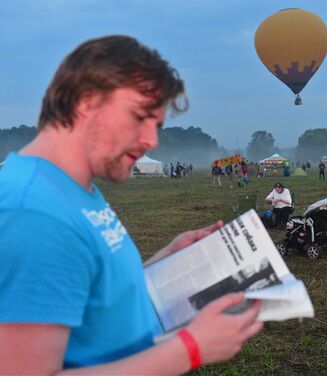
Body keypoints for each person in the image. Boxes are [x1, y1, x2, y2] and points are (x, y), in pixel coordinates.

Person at [0, 35, 263, 375]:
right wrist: (190, 349)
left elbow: (87, 300)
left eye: (156, 125)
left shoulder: (70, 188)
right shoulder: (35, 214)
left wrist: (167, 260)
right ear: (86, 102)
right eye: (140, 117)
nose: (152, 140)